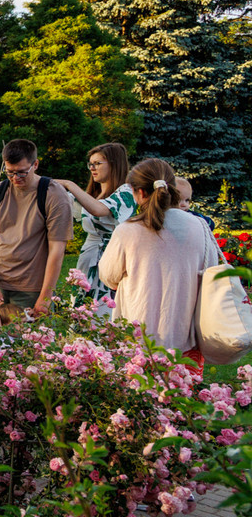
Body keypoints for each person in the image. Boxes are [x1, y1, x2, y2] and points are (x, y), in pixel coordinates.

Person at [100, 159, 221, 373]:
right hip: (186, 335)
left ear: (139, 193)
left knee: (137, 402)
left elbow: (108, 276)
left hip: (136, 338)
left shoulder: (127, 230)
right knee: (182, 400)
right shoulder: (200, 227)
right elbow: (211, 271)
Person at [0, 139, 75, 348]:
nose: (15, 178)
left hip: (31, 289)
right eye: (10, 172)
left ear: (35, 165)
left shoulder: (54, 195)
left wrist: (46, 297)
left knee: (28, 354)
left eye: (21, 172)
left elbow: (57, 251)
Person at [55, 143, 137, 304]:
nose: (92, 168)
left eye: (98, 163)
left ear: (114, 164)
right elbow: (66, 204)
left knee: (103, 311)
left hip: (111, 259)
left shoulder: (126, 192)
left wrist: (69, 184)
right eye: (90, 164)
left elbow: (99, 210)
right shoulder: (94, 196)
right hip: (89, 257)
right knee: (81, 311)